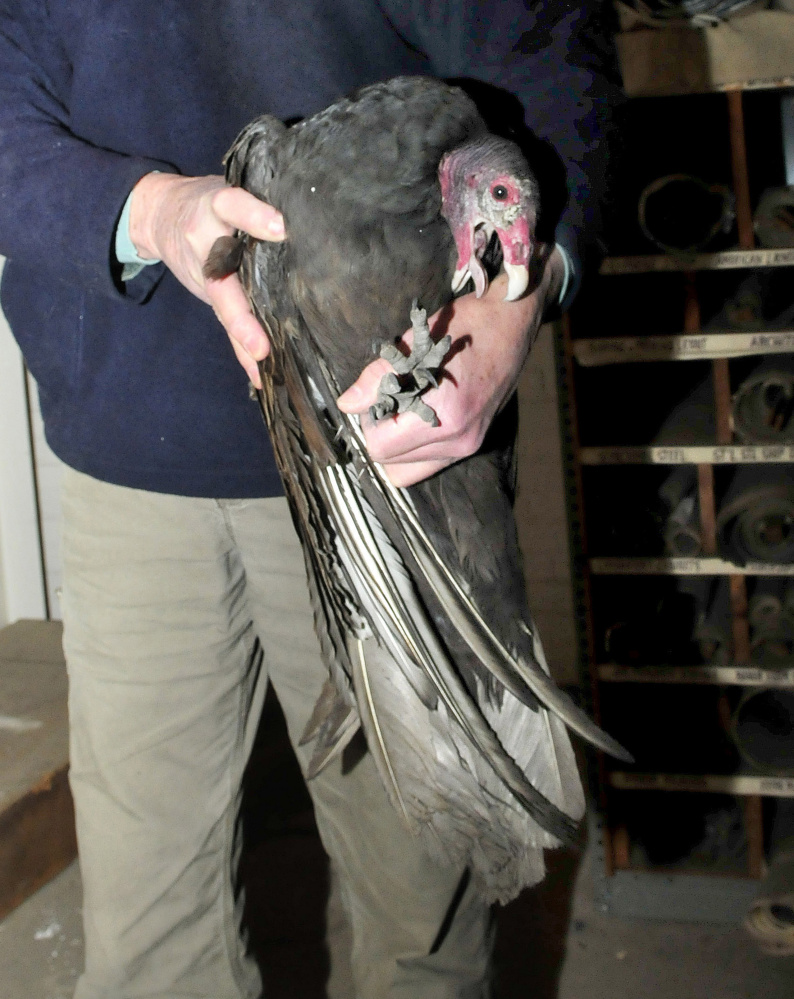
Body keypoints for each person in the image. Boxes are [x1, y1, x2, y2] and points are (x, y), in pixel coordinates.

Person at [0, 3, 618, 997]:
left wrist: (519, 288)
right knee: (145, 946)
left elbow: (546, 50)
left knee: (423, 910)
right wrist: (151, 212)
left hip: (385, 461)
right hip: (128, 447)